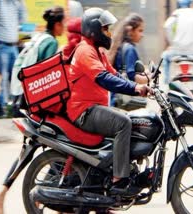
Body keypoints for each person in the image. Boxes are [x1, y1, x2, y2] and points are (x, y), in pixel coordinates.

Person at [67, 8, 151, 195]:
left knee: (133, 120)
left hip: (94, 108)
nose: (109, 33)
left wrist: (142, 87)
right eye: (105, 29)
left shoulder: (98, 52)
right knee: (123, 123)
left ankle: (109, 171)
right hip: (84, 111)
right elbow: (104, 78)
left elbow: (115, 76)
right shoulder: (85, 51)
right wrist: (134, 88)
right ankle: (120, 178)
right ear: (94, 29)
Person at [0, 6, 65, 214]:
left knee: (27, 152)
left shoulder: (38, 37)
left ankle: (1, 194)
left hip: (23, 99)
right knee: (62, 143)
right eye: (64, 24)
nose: (65, 27)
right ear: (58, 24)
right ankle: (46, 197)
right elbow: (48, 76)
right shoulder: (50, 42)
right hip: (35, 103)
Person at [161, 0, 193, 92]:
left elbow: (167, 26)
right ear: (191, 4)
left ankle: (167, 83)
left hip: (176, 51)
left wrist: (172, 42)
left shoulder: (176, 13)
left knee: (165, 56)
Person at [108, 13, 150, 106]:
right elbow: (131, 75)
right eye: (140, 30)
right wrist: (150, 78)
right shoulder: (130, 49)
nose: (142, 35)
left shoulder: (119, 46)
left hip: (114, 98)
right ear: (131, 30)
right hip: (123, 99)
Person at [0, 0, 26, 107]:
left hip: (14, 46)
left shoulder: (16, 3)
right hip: (1, 45)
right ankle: (2, 106)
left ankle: (14, 105)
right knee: (2, 78)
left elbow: (22, 20)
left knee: (16, 77)